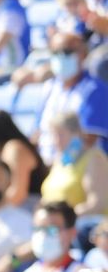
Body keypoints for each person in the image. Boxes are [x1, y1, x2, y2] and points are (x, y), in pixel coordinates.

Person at [37, 21, 108, 166]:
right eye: (55, 53)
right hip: (47, 166)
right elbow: (37, 132)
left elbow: (88, 138)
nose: (61, 57)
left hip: (78, 168)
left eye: (67, 52)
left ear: (83, 54)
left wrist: (62, 167)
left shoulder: (94, 89)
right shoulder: (49, 88)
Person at [39, 109, 108, 218]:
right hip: (54, 227)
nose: (56, 141)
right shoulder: (60, 161)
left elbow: (97, 204)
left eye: (60, 134)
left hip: (82, 228)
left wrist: (65, 218)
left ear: (76, 134)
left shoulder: (94, 159)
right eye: (54, 135)